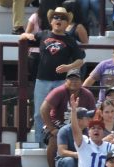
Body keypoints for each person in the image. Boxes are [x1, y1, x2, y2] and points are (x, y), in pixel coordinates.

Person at [19, 7, 85, 151]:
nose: (58, 20)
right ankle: (40, 144)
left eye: (62, 18)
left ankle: (62, 143)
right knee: (38, 113)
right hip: (41, 80)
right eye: (56, 17)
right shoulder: (42, 34)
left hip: (61, 82)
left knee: (61, 113)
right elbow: (22, 37)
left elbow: (80, 60)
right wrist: (26, 35)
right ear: (51, 21)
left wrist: (68, 67)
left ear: (67, 22)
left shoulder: (70, 39)